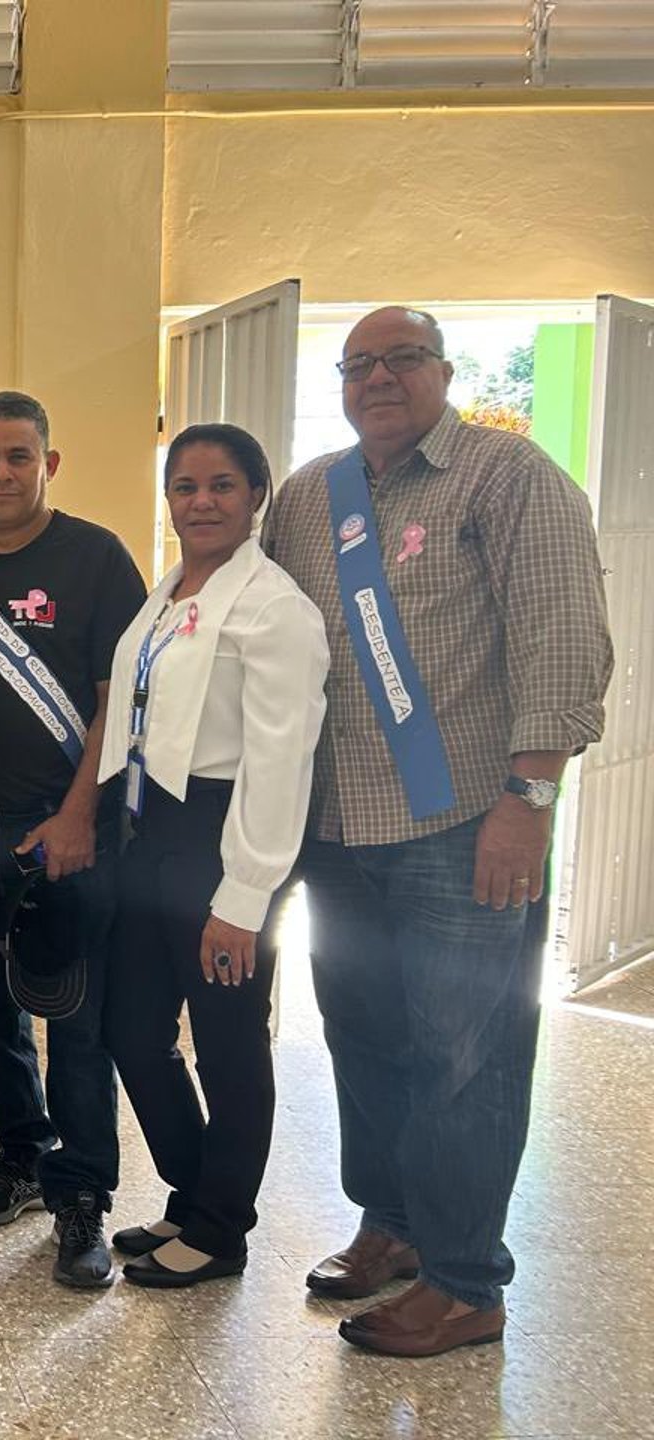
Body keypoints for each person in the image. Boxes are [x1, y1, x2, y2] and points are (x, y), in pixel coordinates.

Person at [263, 307, 612, 1356]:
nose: (379, 378)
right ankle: (395, 1225)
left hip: (463, 826)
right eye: (359, 364)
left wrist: (528, 803)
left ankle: (466, 1282)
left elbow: (562, 640)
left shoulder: (509, 476)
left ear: (445, 373)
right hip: (336, 828)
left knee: (466, 1053)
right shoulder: (308, 496)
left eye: (403, 359)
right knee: (364, 1038)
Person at [0, 390, 146, 1288]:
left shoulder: (98, 557)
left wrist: (80, 813)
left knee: (77, 1023)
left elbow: (119, 701)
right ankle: (23, 1153)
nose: (3, 473)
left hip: (68, 831)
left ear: (50, 463)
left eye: (20, 456)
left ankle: (82, 1195)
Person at [98, 424, 328, 1288]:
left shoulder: (274, 607)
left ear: (256, 495)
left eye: (222, 485)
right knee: (132, 1030)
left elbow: (281, 760)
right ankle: (196, 1190)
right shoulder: (171, 594)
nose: (202, 502)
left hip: (223, 838)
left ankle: (222, 1229)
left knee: (228, 1044)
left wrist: (245, 895)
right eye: (186, 486)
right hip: (150, 828)